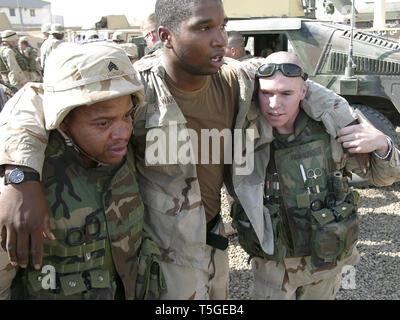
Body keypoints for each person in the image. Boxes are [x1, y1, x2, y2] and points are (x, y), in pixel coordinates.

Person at [0, 0, 358, 300]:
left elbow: (301, 87)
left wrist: (361, 128)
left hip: (216, 239)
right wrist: (21, 178)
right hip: (164, 253)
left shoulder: (238, 80)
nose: (220, 39)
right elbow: (34, 98)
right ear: (166, 36)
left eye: (223, 26)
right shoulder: (133, 85)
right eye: (204, 28)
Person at [229, 51, 400, 300]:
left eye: (286, 93)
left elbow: (383, 178)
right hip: (272, 264)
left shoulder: (332, 127)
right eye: (267, 93)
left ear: (304, 92)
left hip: (324, 257)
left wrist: (382, 145)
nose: (274, 104)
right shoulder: (244, 129)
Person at [0, 41, 164, 300]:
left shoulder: (125, 149)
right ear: (64, 122)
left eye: (127, 116)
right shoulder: (22, 194)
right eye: (102, 123)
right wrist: (22, 178)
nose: (122, 133)